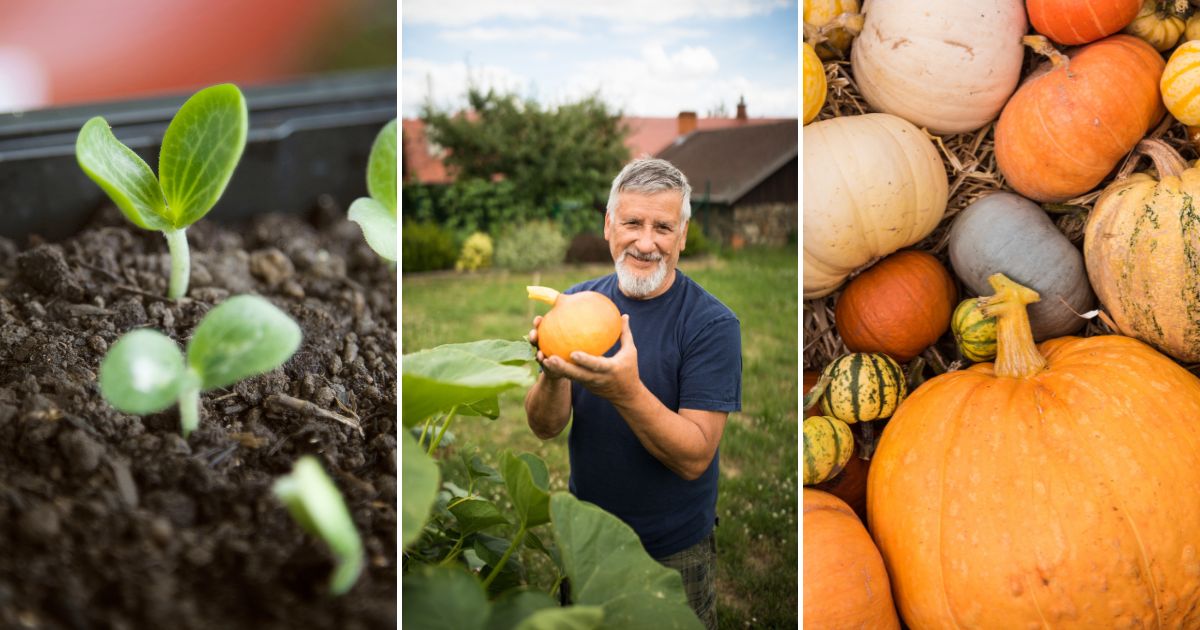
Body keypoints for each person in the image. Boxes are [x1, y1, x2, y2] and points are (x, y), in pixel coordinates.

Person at [524, 158, 742, 629]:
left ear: (683, 234)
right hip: (588, 539)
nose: (646, 242)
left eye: (663, 226)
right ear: (608, 226)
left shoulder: (711, 325)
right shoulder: (577, 301)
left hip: (672, 549)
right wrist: (553, 374)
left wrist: (626, 392)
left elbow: (694, 456)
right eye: (632, 223)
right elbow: (544, 427)